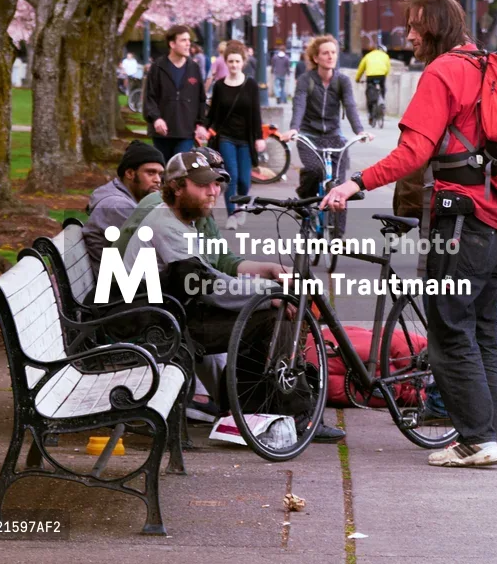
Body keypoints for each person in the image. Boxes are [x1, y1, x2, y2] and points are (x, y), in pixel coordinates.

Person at [323, 0, 497, 470]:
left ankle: (476, 439)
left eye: (415, 27)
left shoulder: (444, 71)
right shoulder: (485, 63)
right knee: (484, 329)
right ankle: (491, 433)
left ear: (435, 29)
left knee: (450, 329)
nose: (408, 35)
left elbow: (413, 152)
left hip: (458, 220)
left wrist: (355, 183)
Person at [116, 151, 342, 443]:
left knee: (269, 314)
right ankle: (282, 414)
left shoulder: (183, 219)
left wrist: (268, 281)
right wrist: (270, 294)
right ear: (177, 187)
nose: (214, 191)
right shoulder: (165, 227)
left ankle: (248, 411)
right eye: (204, 185)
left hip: (173, 313)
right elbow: (207, 286)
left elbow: (214, 272)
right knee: (271, 317)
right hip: (155, 324)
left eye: (216, 184)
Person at [284, 34, 369, 206]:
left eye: (333, 52)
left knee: (339, 184)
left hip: (333, 134)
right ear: (315, 58)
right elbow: (299, 104)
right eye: (325, 53)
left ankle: (337, 231)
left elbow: (350, 105)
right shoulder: (305, 80)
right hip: (309, 135)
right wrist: (294, 129)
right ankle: (305, 199)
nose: (330, 56)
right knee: (315, 170)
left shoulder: (342, 80)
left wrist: (360, 131)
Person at [82, 141, 166, 272]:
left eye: (160, 174)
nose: (158, 180)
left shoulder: (123, 198)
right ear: (130, 174)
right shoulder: (118, 207)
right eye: (151, 173)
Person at [206, 40, 264, 222]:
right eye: (230, 61)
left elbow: (256, 113)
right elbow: (213, 112)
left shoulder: (251, 85)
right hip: (226, 137)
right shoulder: (220, 86)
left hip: (245, 138)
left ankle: (241, 204)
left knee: (244, 181)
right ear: (225, 62)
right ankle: (232, 213)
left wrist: (259, 137)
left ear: (243, 62)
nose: (233, 65)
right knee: (230, 175)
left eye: (237, 61)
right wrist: (204, 127)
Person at [142, 24, 210, 160]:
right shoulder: (158, 67)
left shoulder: (194, 68)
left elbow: (201, 99)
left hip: (186, 131)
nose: (188, 44)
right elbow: (149, 97)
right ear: (172, 44)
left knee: (180, 167)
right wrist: (156, 119)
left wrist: (201, 124)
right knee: (165, 170)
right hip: (162, 132)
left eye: (189, 40)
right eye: (183, 40)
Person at [356, 38, 391, 121]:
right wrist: (385, 75)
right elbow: (388, 68)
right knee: (383, 88)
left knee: (369, 92)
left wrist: (357, 79)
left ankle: (370, 113)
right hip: (381, 75)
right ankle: (382, 100)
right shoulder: (385, 56)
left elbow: (361, 68)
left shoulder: (368, 55)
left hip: (371, 76)